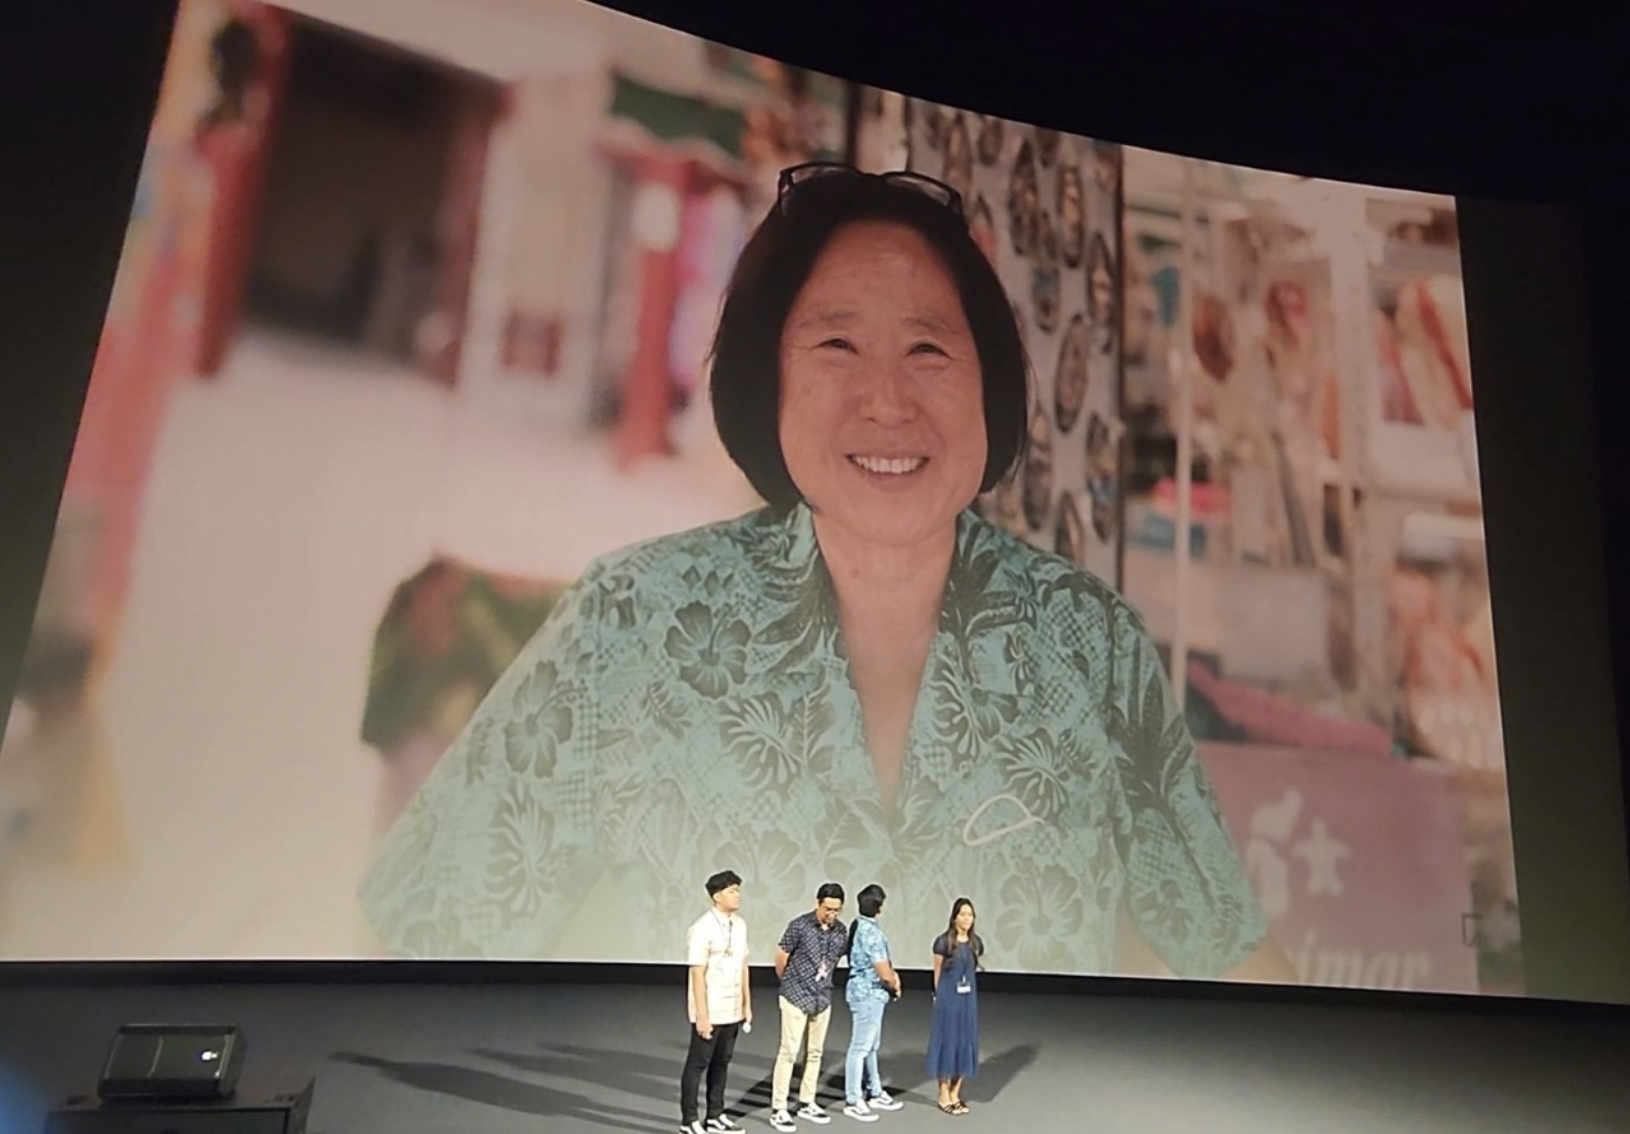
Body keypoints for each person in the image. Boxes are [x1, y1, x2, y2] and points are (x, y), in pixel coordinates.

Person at [358, 162, 1294, 985]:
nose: (887, 400)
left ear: (991, 385)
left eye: (929, 349)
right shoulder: (634, 622)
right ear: (768, 382)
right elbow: (424, 941)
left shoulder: (1089, 643)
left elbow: (1232, 958)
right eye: (837, 346)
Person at [769, 883, 850, 1131]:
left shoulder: (841, 931)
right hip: (795, 995)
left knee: (815, 1052)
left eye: (836, 910)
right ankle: (779, 1108)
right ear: (818, 903)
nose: (831, 914)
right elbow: (781, 956)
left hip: (822, 998)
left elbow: (835, 960)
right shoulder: (800, 926)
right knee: (789, 1052)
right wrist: (788, 983)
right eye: (828, 909)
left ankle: (807, 1101)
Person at [682, 870, 751, 1134]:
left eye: (738, 890)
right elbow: (696, 972)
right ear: (716, 896)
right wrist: (702, 1015)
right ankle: (689, 1121)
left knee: (722, 1061)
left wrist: (747, 1004)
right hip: (710, 1007)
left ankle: (715, 1115)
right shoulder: (702, 928)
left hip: (732, 1006)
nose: (737, 896)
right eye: (732, 891)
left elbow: (743, 964)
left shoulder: (740, 925)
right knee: (698, 1063)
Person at [843, 884, 902, 1122]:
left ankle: (874, 1091)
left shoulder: (858, 926)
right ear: (879, 907)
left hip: (864, 993)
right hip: (868, 994)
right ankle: (853, 1099)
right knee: (860, 1047)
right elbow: (883, 971)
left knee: (870, 1045)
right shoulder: (872, 933)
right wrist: (894, 985)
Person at [926, 898, 984, 1115]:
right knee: (947, 1041)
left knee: (965, 1041)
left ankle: (955, 1092)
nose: (967, 919)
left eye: (970, 915)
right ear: (954, 917)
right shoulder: (943, 943)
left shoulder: (975, 943)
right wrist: (938, 996)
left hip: (968, 1000)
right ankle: (943, 1093)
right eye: (963, 914)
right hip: (948, 998)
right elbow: (937, 973)